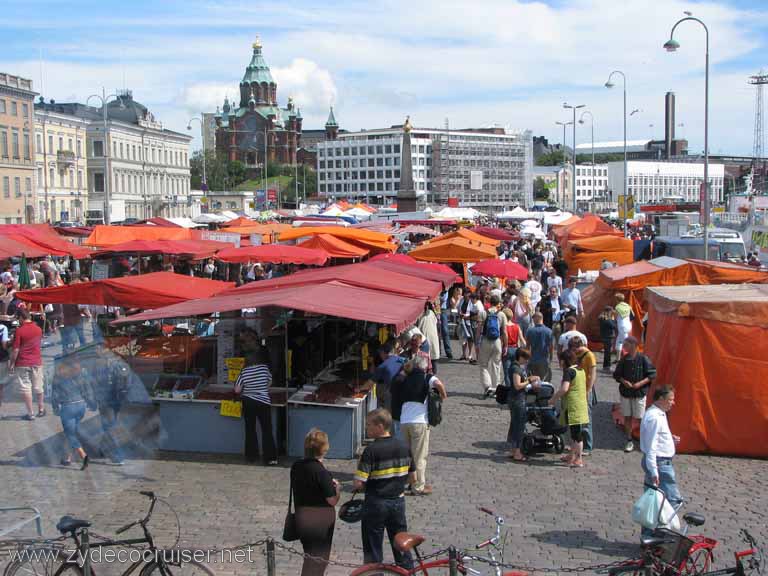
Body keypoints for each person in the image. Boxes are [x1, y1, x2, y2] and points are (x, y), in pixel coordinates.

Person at [354, 409, 415, 569]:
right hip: (398, 502)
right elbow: (413, 478)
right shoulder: (404, 446)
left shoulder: (371, 450)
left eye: (369, 425)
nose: (366, 428)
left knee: (373, 548)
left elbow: (359, 483)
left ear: (380, 426)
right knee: (401, 544)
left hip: (376, 503)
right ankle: (407, 572)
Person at [391, 355, 447, 496]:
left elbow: (394, 384)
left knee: (405, 455)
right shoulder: (426, 377)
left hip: (404, 421)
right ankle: (418, 486)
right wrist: (443, 396)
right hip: (419, 422)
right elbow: (439, 384)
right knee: (419, 456)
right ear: (423, 366)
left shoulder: (404, 377)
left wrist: (405, 369)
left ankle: (402, 483)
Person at [290, 429, 341, 576]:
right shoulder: (321, 472)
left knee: (309, 556)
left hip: (302, 517)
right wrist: (337, 489)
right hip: (320, 522)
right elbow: (332, 501)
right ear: (324, 449)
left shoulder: (296, 466)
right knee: (318, 561)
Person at [640, 386, 681, 535]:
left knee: (652, 502)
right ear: (661, 399)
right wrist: (654, 471)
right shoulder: (655, 418)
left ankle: (649, 536)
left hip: (659, 462)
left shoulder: (659, 414)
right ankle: (661, 533)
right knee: (673, 500)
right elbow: (651, 446)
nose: (673, 403)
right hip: (660, 463)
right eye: (670, 399)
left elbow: (657, 438)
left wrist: (670, 439)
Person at [234, 348, 278, 465]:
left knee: (250, 429)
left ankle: (251, 456)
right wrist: (261, 389)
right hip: (263, 402)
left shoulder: (243, 372)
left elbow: (237, 390)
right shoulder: (264, 369)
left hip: (248, 402)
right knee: (267, 430)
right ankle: (270, 458)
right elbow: (269, 382)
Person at [613, 336, 656, 453]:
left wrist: (640, 383)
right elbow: (617, 375)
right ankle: (629, 440)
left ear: (633, 345)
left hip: (639, 393)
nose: (624, 346)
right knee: (627, 416)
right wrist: (624, 381)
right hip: (626, 393)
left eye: (626, 344)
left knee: (641, 417)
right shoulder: (624, 359)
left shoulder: (643, 359)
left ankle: (645, 441)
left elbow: (652, 374)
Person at [550, 349, 589, 468]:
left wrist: (553, 399)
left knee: (577, 434)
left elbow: (564, 389)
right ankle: (572, 455)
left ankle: (578, 459)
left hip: (573, 406)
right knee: (574, 432)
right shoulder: (580, 370)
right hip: (580, 405)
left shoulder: (569, 372)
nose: (559, 362)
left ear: (564, 361)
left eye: (560, 360)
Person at [51, 357, 90, 469]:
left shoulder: (57, 377)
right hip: (81, 406)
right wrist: (90, 402)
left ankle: (84, 456)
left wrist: (55, 408)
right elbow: (86, 388)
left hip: (68, 407)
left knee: (70, 434)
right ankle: (67, 458)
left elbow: (55, 396)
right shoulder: (77, 375)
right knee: (71, 432)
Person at [9, 308, 45, 420]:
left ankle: (31, 414)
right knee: (39, 386)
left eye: (18, 318)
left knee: (26, 387)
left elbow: (15, 350)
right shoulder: (38, 329)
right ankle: (41, 409)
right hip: (36, 362)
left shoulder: (19, 331)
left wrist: (12, 363)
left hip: (22, 362)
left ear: (21, 318)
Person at [506, 348, 540, 462]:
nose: (526, 361)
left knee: (515, 423)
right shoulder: (516, 368)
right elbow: (517, 385)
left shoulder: (517, 367)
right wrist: (529, 381)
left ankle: (513, 449)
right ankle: (517, 452)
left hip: (516, 398)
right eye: (525, 358)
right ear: (520, 357)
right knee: (519, 425)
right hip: (517, 399)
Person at [570, 337, 597, 455]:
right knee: (580, 417)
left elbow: (592, 375)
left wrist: (588, 390)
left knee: (587, 418)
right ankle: (578, 443)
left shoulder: (589, 355)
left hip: (586, 389)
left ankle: (588, 446)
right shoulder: (579, 355)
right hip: (579, 388)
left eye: (574, 348)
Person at [476, 294, 508, 397]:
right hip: (497, 341)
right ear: (498, 303)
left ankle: (487, 386)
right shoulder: (502, 314)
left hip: (485, 340)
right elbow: (504, 332)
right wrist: (505, 346)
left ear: (489, 302)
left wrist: (477, 342)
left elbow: (479, 329)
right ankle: (496, 388)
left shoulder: (483, 313)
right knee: (496, 365)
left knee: (483, 365)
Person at [372, 343, 405, 413]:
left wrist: (360, 388)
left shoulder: (382, 366)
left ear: (384, 353)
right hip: (400, 394)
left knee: (386, 414)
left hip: (389, 392)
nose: (380, 356)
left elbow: (370, 383)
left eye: (381, 353)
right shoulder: (403, 360)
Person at [501, 308, 525, 388]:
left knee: (507, 371)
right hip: (515, 349)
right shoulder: (517, 326)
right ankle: (515, 385)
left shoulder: (504, 327)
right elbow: (522, 340)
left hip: (507, 349)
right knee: (515, 370)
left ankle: (508, 388)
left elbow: (502, 339)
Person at [525, 312, 553, 382]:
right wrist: (551, 358)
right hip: (544, 360)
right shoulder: (549, 331)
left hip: (532, 360)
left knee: (532, 381)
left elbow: (527, 347)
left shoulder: (530, 331)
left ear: (535, 319)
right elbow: (551, 347)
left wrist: (526, 358)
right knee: (544, 381)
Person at [417, 302, 441, 374]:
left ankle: (432, 376)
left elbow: (436, 324)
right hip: (425, 338)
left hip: (430, 337)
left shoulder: (431, 313)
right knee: (426, 358)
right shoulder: (420, 314)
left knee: (432, 358)